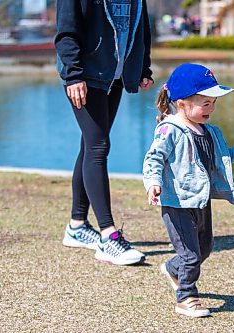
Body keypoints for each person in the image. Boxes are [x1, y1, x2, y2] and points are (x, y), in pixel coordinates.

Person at [142, 63, 234, 317]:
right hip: (177, 202)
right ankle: (185, 297)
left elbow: (221, 158)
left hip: (200, 200)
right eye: (205, 103)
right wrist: (153, 182)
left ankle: (173, 269)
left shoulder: (210, 132)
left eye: (213, 103)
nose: (211, 108)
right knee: (190, 255)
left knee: (203, 249)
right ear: (182, 103)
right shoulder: (169, 129)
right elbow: (153, 159)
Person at [55, 0, 154, 265]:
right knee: (98, 146)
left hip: (116, 75)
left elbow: (141, 26)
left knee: (90, 145)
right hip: (86, 75)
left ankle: (76, 226)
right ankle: (108, 236)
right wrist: (73, 75)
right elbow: (67, 30)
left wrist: (143, 66)